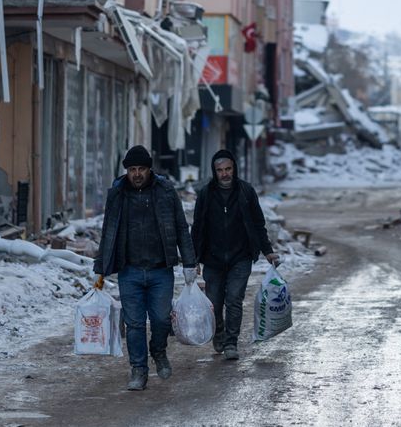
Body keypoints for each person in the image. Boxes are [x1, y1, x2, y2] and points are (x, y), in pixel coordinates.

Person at [93, 145, 197, 391]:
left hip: (161, 269)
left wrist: (190, 262)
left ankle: (158, 350)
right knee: (135, 324)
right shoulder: (118, 193)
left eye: (141, 169)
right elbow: (108, 230)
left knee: (161, 319)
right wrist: (100, 267)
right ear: (126, 171)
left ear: (150, 169)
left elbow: (181, 227)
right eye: (132, 169)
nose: (136, 174)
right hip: (129, 270)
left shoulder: (166, 190)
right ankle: (138, 369)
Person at [192, 149, 278, 361]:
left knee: (234, 300)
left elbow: (258, 223)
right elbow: (198, 227)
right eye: (220, 170)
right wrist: (193, 258)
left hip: (241, 257)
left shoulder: (246, 192)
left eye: (228, 169)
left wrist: (267, 251)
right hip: (213, 259)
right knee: (215, 301)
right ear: (214, 171)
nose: (224, 174)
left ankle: (231, 342)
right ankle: (219, 333)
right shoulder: (205, 194)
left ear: (234, 168)